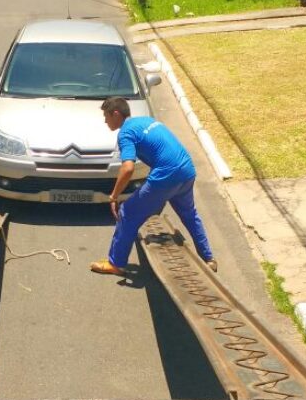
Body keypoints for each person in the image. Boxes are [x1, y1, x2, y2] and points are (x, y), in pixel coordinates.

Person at [90, 97, 217, 276]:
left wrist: (114, 196)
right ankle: (208, 258)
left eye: (106, 116)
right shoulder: (146, 121)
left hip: (166, 176)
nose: (105, 121)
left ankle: (116, 264)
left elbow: (127, 168)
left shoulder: (125, 133)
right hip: (187, 170)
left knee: (127, 212)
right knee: (189, 214)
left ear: (116, 114)